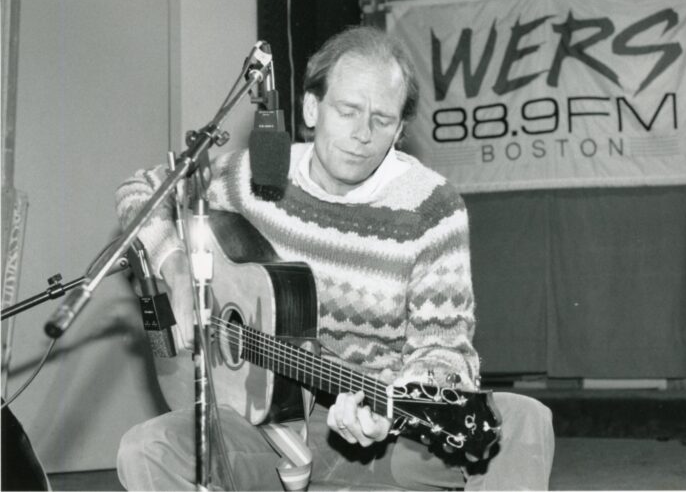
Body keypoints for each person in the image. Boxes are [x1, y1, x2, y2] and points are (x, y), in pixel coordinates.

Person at [115, 25, 555, 491]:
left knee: (521, 421)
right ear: (311, 108)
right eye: (348, 111)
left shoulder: (430, 207)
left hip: (388, 435)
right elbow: (141, 192)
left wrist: (395, 405)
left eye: (381, 120)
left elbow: (444, 350)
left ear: (400, 132)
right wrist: (177, 269)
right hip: (265, 429)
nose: (362, 134)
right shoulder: (256, 176)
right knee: (148, 448)